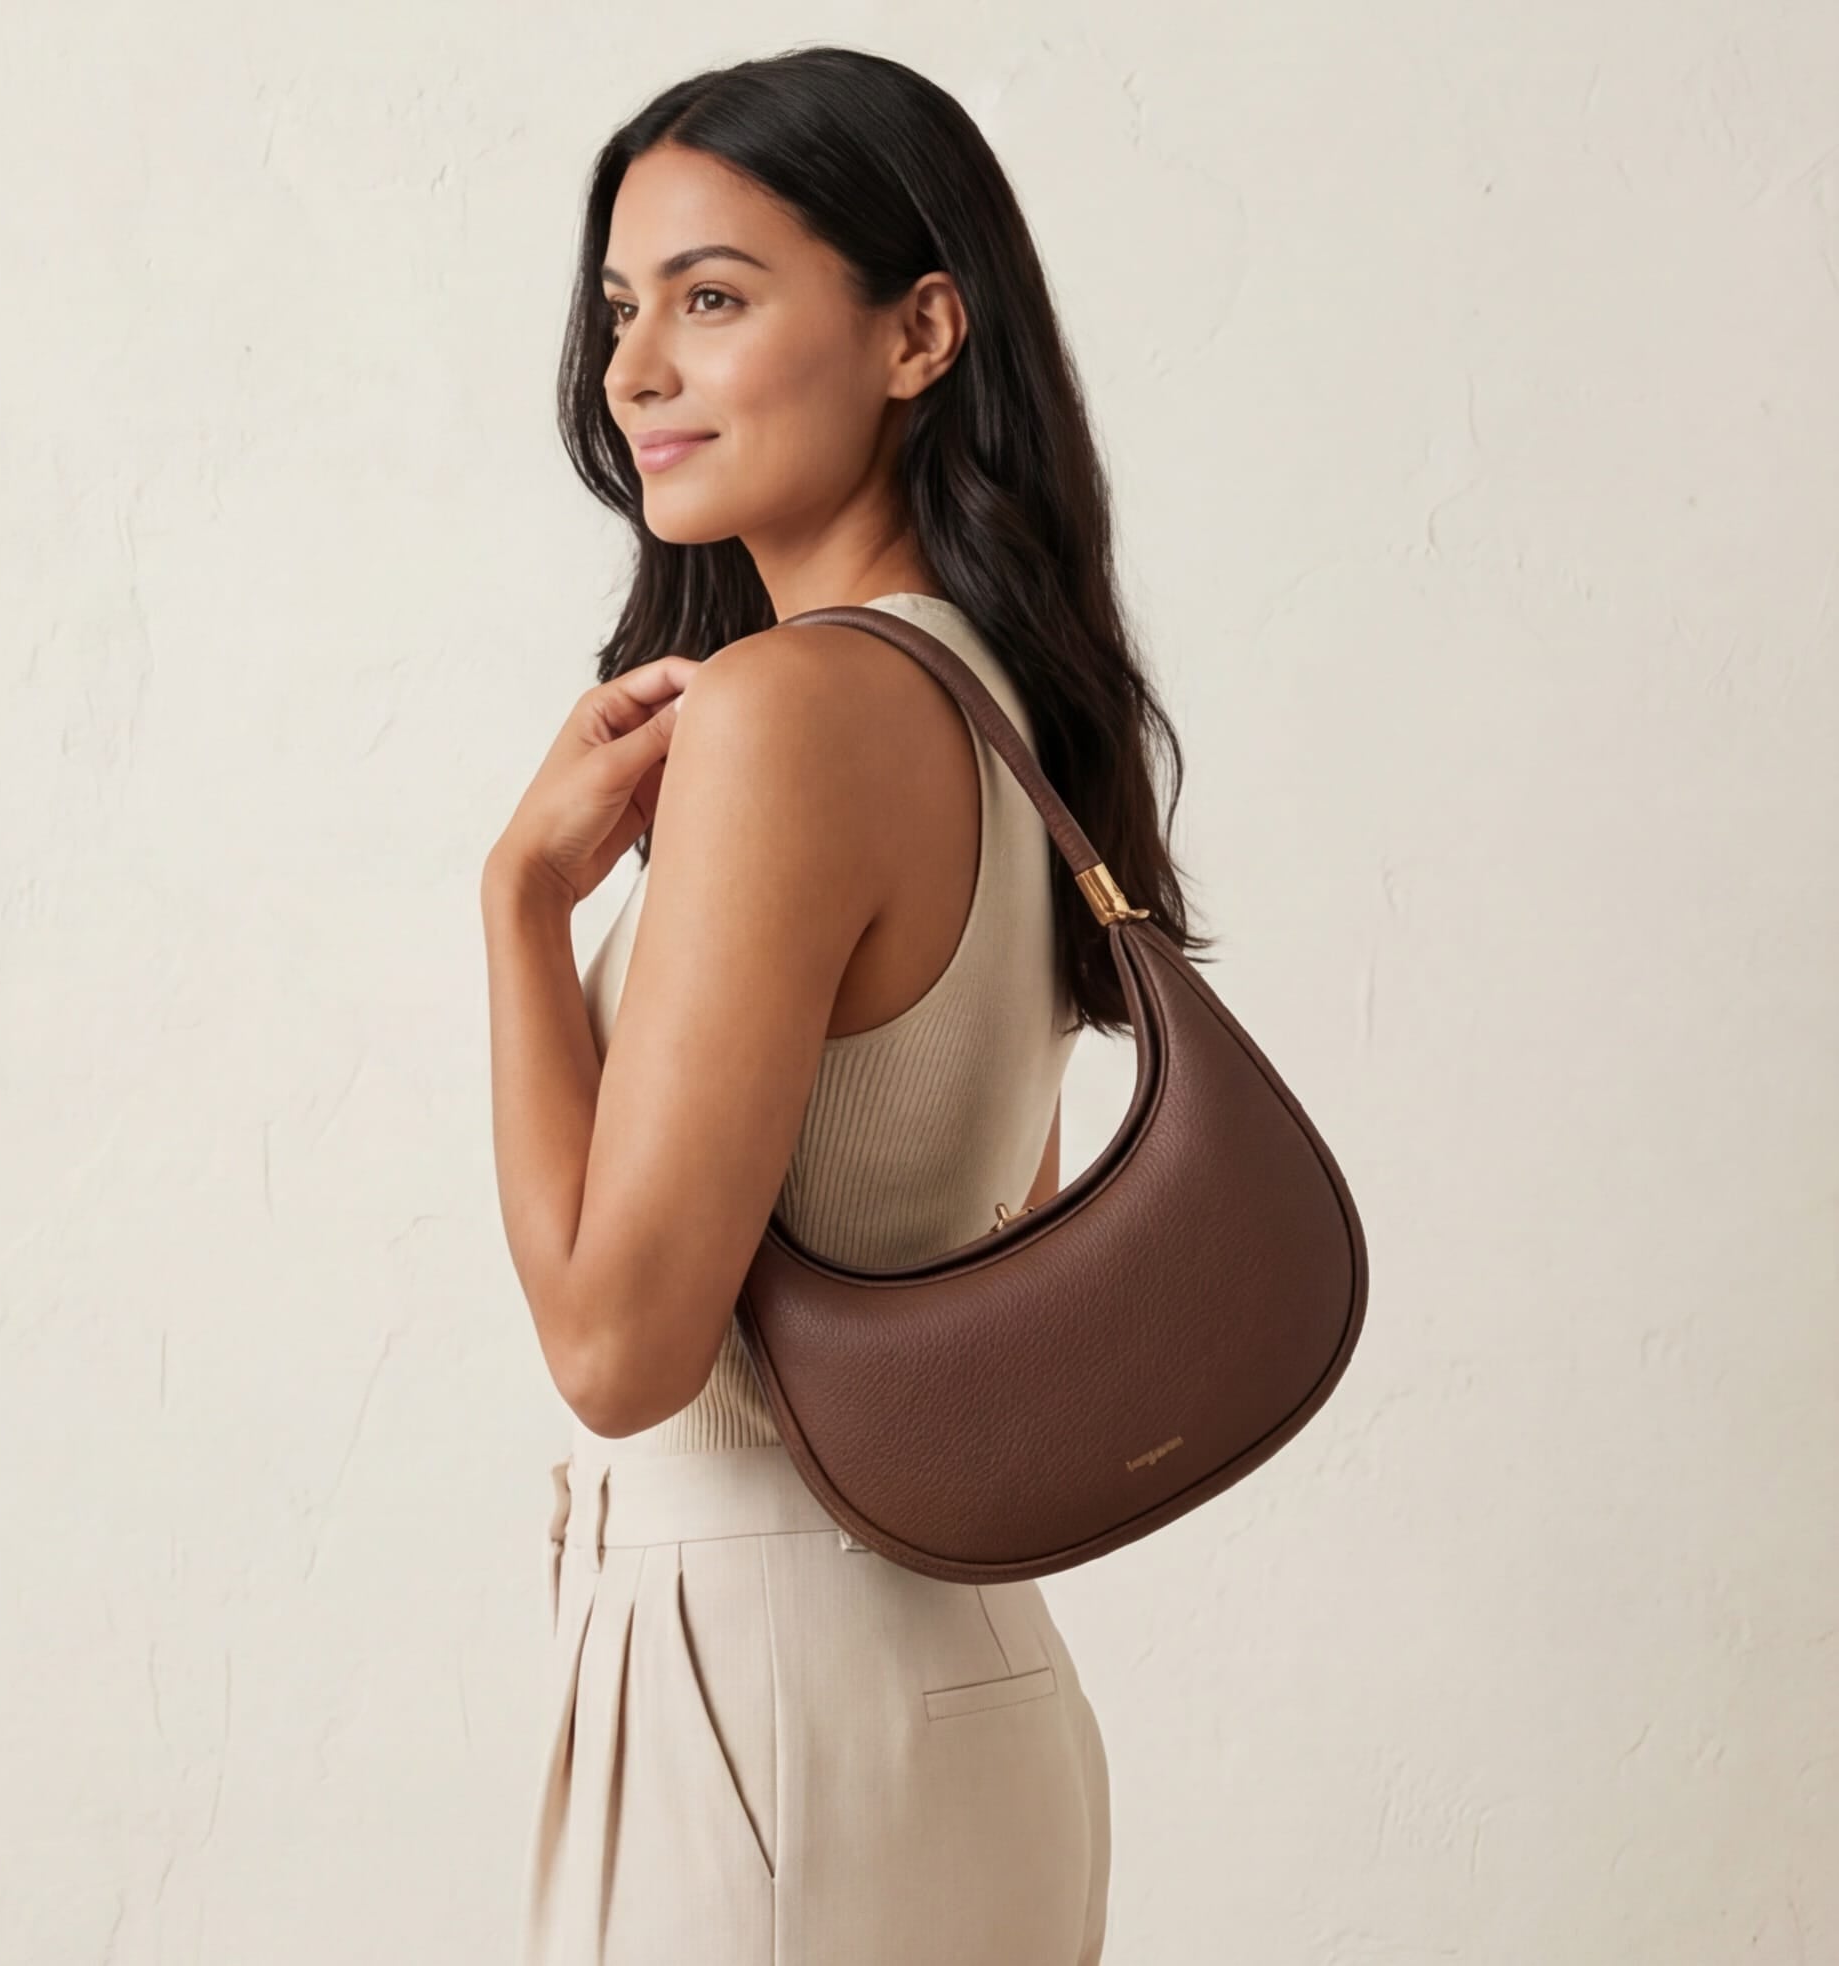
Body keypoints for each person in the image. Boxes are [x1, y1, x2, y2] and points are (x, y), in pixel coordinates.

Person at [480, 44, 1215, 1965]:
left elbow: (622, 1346)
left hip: (757, 1675)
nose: (636, 366)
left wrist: (517, 910)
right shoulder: (1001, 709)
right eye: (622, 308)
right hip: (954, 1673)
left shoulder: (791, 710)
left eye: (713, 298)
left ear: (919, 332)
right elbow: (991, 1240)